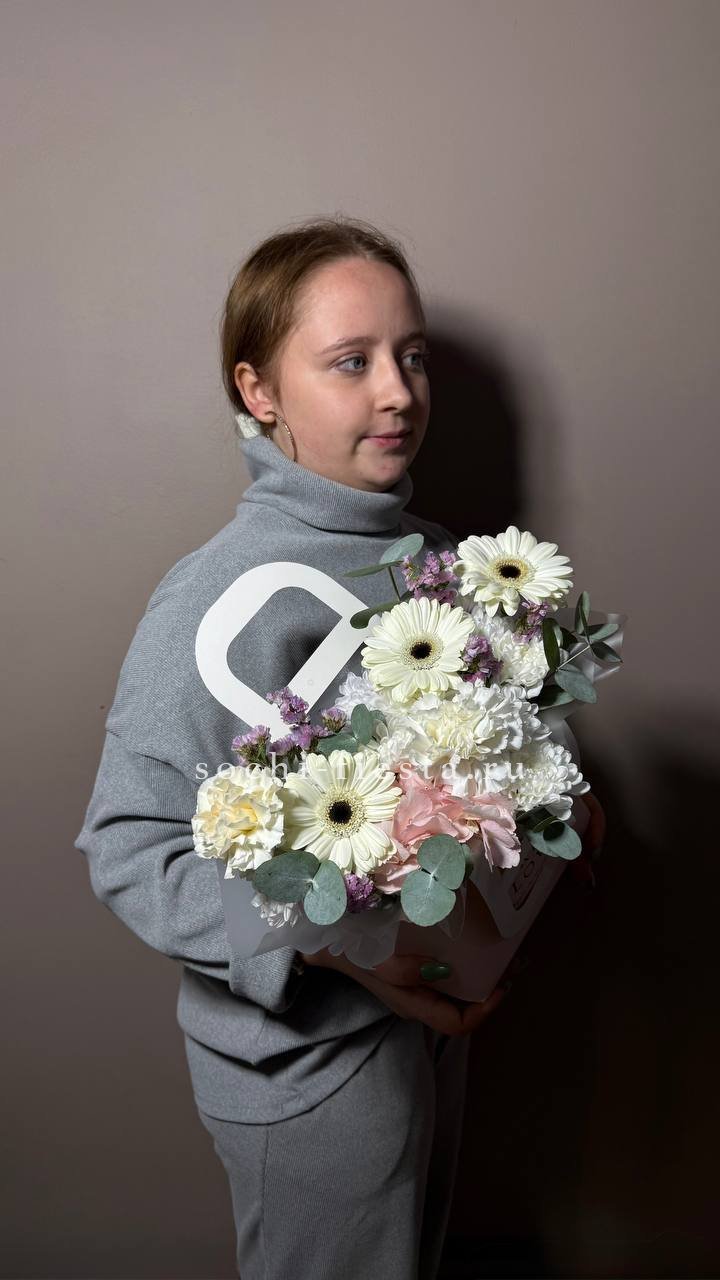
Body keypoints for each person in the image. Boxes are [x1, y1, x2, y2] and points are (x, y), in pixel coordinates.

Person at [74, 215, 605, 1280]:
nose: (398, 392)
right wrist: (324, 946)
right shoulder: (217, 599)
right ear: (259, 390)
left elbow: (473, 782)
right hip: (307, 1069)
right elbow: (127, 846)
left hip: (428, 1036)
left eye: (412, 355)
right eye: (351, 362)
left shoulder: (442, 561)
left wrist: (552, 812)